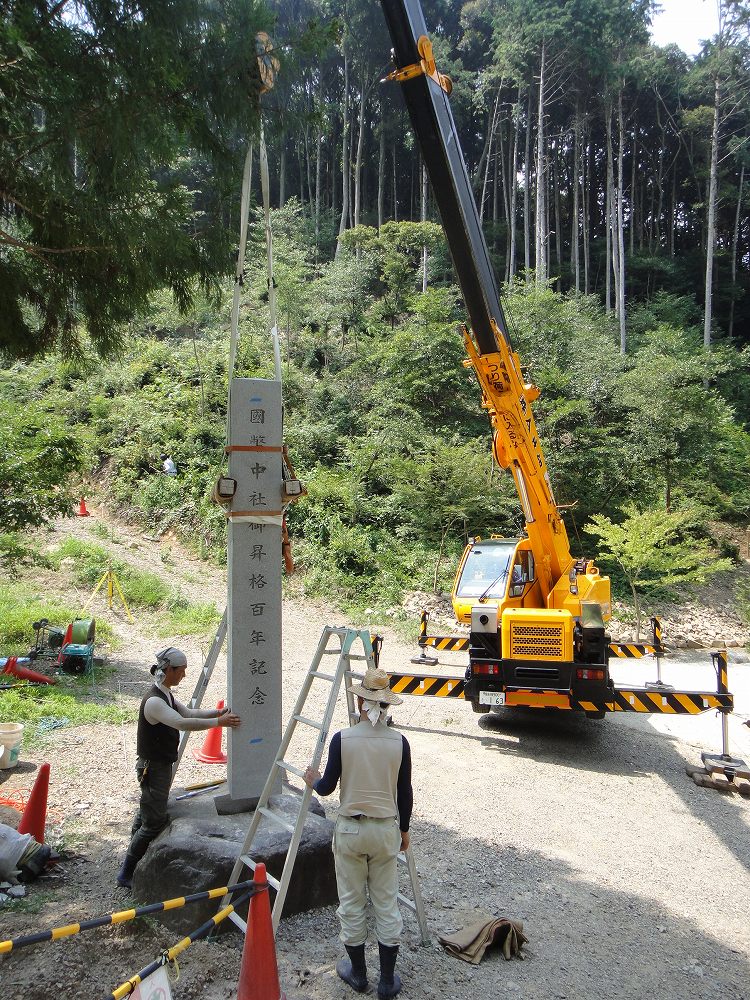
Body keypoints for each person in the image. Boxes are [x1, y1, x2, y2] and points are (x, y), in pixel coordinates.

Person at [304, 667, 412, 999]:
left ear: (361, 702)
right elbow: (404, 792)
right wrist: (404, 831)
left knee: (351, 902)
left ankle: (358, 973)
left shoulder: (343, 739)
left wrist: (312, 779)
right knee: (385, 902)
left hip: (350, 829)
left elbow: (325, 787)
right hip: (384, 830)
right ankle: (387, 981)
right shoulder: (400, 743)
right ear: (387, 705)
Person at [116, 647, 241, 889]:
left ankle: (134, 851)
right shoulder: (154, 701)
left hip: (159, 764)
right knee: (154, 820)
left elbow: (189, 712)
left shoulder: (165, 694)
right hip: (153, 767)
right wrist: (219, 722)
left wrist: (217, 712)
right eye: (181, 670)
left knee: (148, 809)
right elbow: (182, 722)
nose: (184, 675)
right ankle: (127, 872)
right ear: (169, 670)